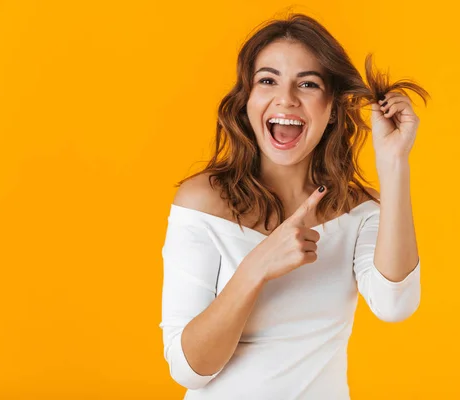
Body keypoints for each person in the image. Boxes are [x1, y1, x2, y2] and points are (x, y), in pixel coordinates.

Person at [159, 12, 430, 400]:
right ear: (248, 100)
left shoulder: (358, 212)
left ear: (333, 107)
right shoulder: (203, 202)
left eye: (307, 83)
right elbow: (190, 369)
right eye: (267, 80)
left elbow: (395, 305)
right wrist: (258, 266)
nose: (285, 98)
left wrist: (394, 163)